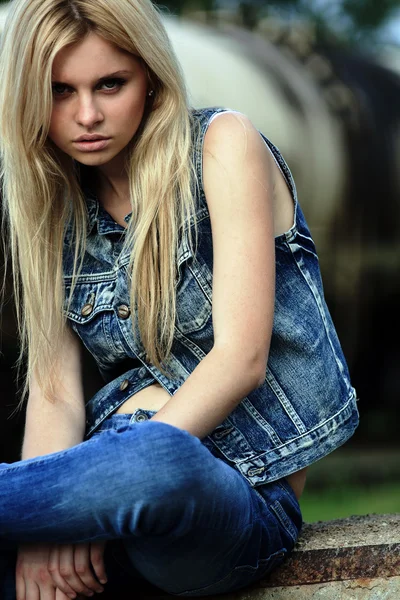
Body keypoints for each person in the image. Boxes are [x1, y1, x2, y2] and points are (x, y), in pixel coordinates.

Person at [0, 0, 359, 598]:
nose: (86, 114)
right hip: (103, 496)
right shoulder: (49, 203)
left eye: (110, 84)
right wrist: (52, 524)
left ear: (151, 78)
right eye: (60, 91)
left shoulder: (222, 146)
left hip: (234, 498)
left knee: (159, 461)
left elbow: (241, 360)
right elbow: (55, 392)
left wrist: (84, 503)